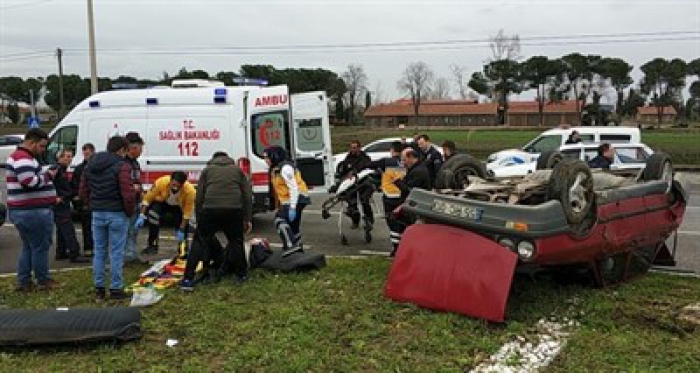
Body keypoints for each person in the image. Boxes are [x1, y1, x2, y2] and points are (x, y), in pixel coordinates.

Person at [181, 152, 253, 291]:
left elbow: (199, 196)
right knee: (236, 241)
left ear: (213, 159)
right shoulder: (237, 170)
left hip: (210, 209)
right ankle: (241, 275)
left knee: (199, 241)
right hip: (234, 209)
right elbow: (247, 195)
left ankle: (187, 279)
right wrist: (247, 218)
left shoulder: (207, 171)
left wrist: (199, 218)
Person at [80, 136, 136, 300]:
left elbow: (83, 189)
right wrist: (129, 211)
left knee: (99, 251)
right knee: (117, 252)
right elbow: (128, 193)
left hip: (97, 212)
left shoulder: (91, 163)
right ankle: (116, 288)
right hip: (116, 212)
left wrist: (90, 203)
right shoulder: (122, 166)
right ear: (121, 150)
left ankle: (99, 288)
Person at [6, 128, 58, 292]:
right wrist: (49, 175)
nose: (43, 150)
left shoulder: (20, 157)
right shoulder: (23, 158)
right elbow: (29, 181)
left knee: (29, 246)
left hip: (24, 210)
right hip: (32, 211)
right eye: (41, 146)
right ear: (31, 142)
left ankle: (24, 281)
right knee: (40, 247)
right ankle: (43, 280)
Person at [134, 171, 195, 255]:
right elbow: (147, 199)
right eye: (173, 185)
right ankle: (152, 246)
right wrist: (142, 215)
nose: (175, 188)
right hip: (162, 202)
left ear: (183, 184)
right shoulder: (161, 182)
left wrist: (181, 229)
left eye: (178, 186)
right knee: (153, 215)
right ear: (170, 180)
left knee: (182, 224)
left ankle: (183, 250)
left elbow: (187, 213)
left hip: (178, 206)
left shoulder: (190, 191)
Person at [264, 146, 310, 257]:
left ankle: (290, 246)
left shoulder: (285, 168)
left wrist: (293, 207)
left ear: (274, 156)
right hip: (293, 199)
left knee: (279, 220)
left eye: (267, 157)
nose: (265, 160)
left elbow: (293, 187)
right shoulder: (276, 168)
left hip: (296, 198)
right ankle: (298, 251)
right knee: (293, 226)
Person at [365, 141, 406, 253]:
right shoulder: (405, 162)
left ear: (392, 150)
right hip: (403, 196)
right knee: (402, 221)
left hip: (390, 197)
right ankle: (404, 245)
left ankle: (396, 248)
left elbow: (370, 165)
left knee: (392, 222)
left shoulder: (387, 162)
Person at [391, 148, 432, 256]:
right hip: (411, 205)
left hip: (414, 206)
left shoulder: (418, 171)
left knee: (403, 227)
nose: (403, 163)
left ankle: (401, 251)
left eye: (404, 160)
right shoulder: (415, 168)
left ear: (411, 158)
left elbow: (410, 190)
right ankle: (401, 249)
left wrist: (397, 182)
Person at [53, 148, 89, 263]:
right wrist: (56, 197)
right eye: (67, 157)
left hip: (64, 201)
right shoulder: (56, 170)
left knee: (61, 229)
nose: (70, 159)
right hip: (60, 203)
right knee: (68, 229)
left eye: (71, 157)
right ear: (60, 158)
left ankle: (61, 251)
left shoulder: (62, 170)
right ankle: (75, 253)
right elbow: (50, 184)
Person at [335, 140, 373, 229]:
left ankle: (369, 219)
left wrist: (354, 173)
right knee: (351, 200)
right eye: (351, 148)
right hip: (351, 185)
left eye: (355, 148)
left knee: (364, 200)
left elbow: (365, 167)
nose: (353, 149)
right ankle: (355, 219)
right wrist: (344, 176)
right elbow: (343, 171)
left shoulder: (365, 158)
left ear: (359, 148)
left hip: (364, 183)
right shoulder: (347, 159)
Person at [71, 143, 96, 257]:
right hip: (86, 202)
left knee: (96, 227)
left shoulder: (97, 167)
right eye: (85, 153)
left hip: (95, 200)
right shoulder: (79, 169)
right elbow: (75, 185)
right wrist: (79, 200)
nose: (87, 156)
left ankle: (95, 248)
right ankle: (88, 248)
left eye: (89, 153)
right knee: (86, 227)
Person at [123, 132, 144, 263]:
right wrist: (133, 188)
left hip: (136, 200)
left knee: (134, 231)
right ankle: (128, 256)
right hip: (128, 201)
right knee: (127, 231)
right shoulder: (124, 163)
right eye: (140, 148)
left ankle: (132, 254)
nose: (141, 151)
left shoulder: (135, 163)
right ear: (133, 148)